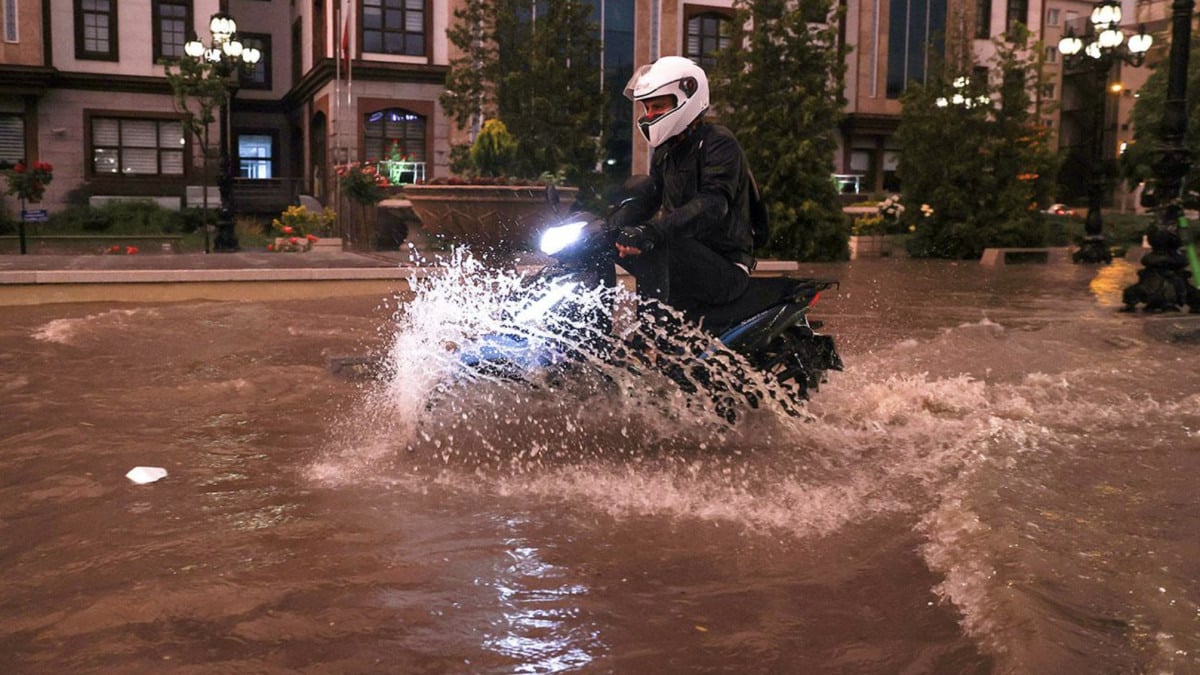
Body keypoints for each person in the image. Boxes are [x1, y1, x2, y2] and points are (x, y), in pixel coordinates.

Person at [614, 55, 757, 314]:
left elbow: (713, 203)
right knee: (600, 245)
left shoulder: (719, 143)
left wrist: (651, 232)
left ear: (686, 98)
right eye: (647, 108)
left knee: (657, 241)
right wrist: (608, 225)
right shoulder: (665, 152)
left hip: (725, 266)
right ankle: (590, 335)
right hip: (685, 257)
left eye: (657, 107)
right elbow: (648, 198)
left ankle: (651, 340)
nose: (649, 116)